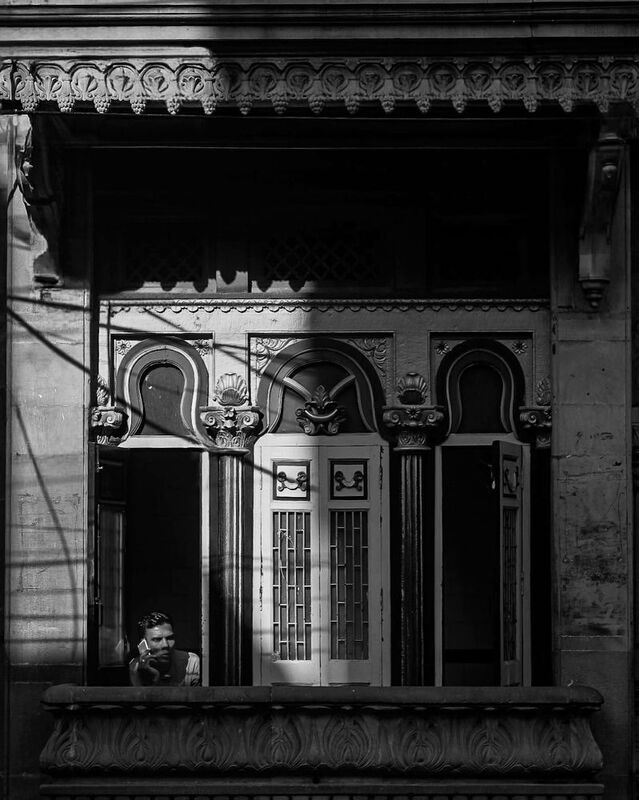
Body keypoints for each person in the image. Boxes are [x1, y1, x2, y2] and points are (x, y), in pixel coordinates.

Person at [129, 610, 201, 686]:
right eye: (157, 639)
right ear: (143, 644)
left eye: (170, 638)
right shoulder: (134, 669)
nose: (165, 645)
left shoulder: (190, 662)